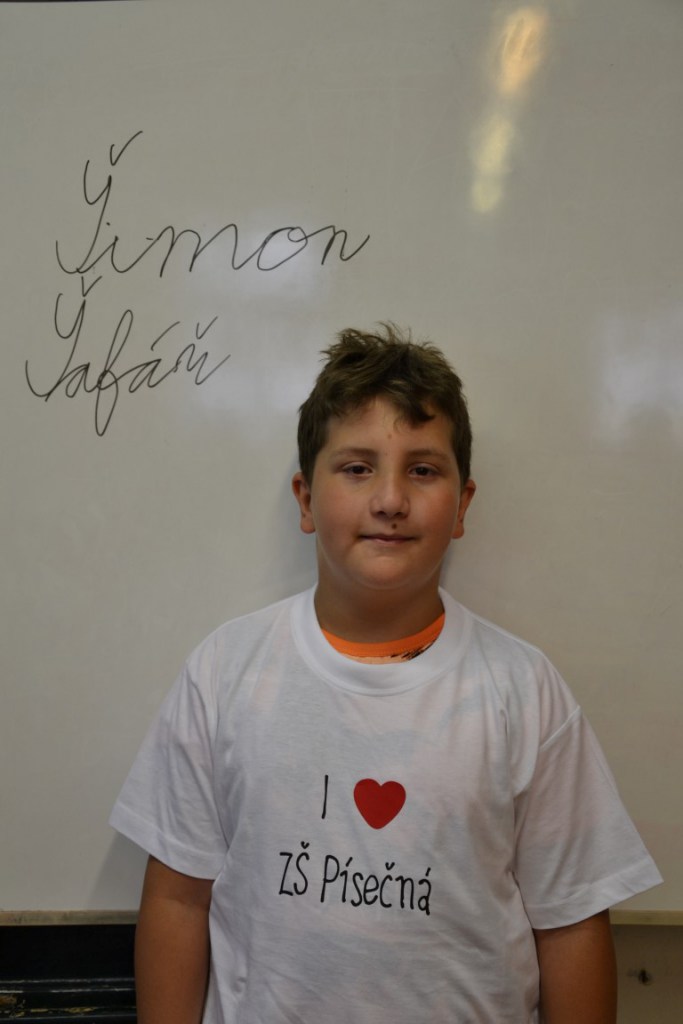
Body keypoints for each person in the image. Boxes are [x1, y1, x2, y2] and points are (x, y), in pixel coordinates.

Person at [111, 324, 661, 1024]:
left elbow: (572, 923)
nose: (390, 500)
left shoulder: (525, 692)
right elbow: (176, 899)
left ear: (462, 506)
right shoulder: (224, 672)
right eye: (357, 468)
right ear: (305, 500)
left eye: (423, 470)